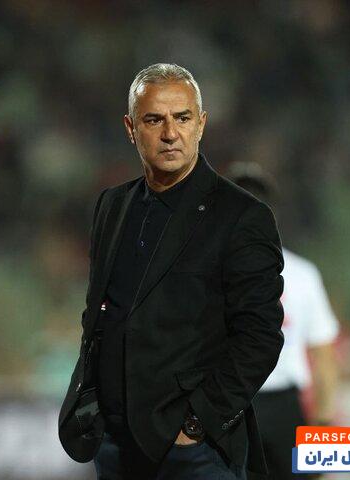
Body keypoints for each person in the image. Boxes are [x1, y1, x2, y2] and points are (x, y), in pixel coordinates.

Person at [58, 63, 285, 479]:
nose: (170, 133)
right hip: (115, 444)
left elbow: (260, 336)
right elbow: (102, 314)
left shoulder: (240, 215)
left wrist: (197, 425)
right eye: (153, 120)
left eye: (182, 118)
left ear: (201, 124)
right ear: (130, 128)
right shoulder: (112, 206)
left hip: (193, 453)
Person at [229, 164, 340, 480]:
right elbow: (324, 358)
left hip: (232, 407)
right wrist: (323, 425)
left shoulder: (205, 274)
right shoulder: (303, 274)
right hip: (276, 410)